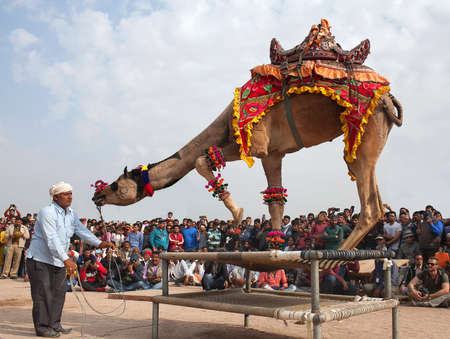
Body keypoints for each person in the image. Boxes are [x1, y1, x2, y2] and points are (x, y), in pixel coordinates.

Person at [26, 182, 113, 337]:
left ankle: (55, 324)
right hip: (40, 260)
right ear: (56, 196)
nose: (70, 197)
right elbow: (51, 239)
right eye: (66, 194)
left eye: (71, 193)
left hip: (58, 260)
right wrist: (66, 259)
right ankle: (42, 327)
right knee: (43, 294)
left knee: (59, 294)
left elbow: (81, 230)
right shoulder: (47, 212)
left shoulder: (71, 213)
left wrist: (99, 242)